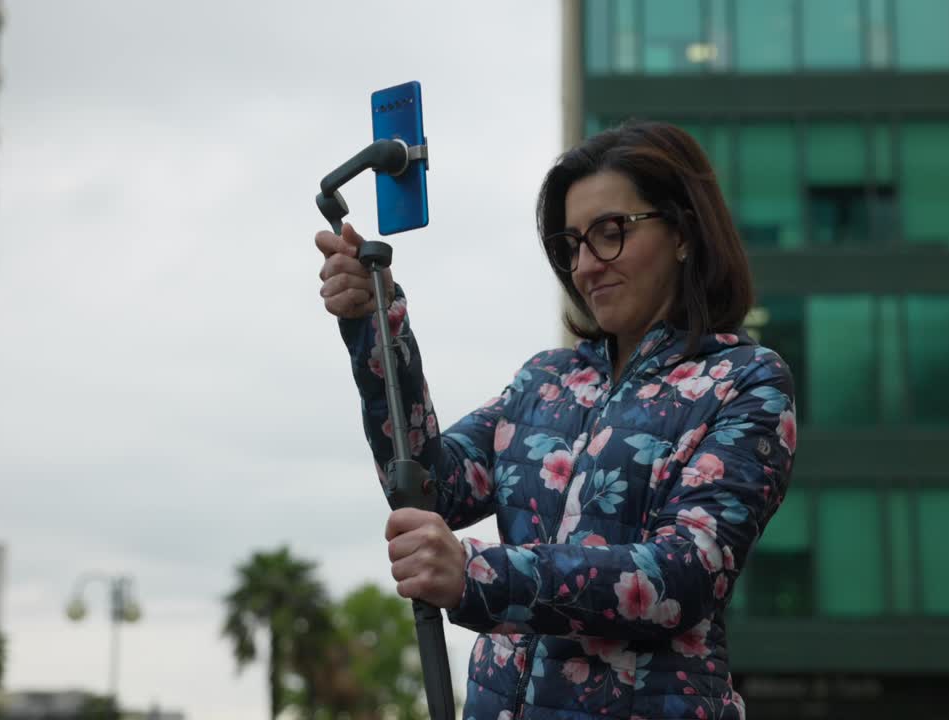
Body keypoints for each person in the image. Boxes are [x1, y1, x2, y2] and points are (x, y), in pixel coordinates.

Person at [315, 121, 796, 720]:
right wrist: (376, 323)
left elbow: (683, 576)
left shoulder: (746, 382)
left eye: (611, 234)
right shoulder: (545, 379)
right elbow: (430, 486)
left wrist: (476, 575)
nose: (587, 265)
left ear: (683, 233)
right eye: (572, 244)